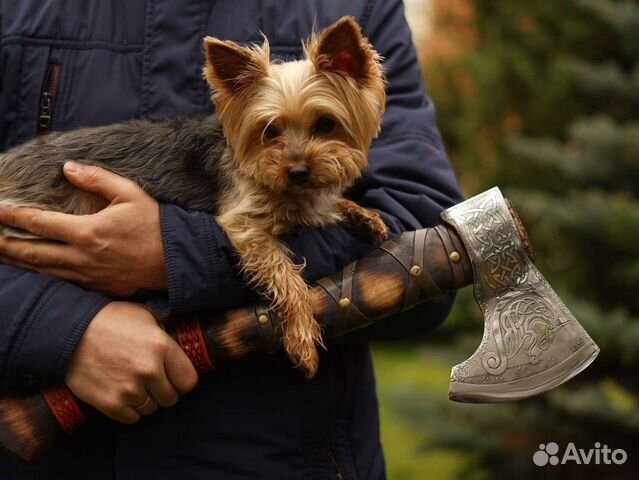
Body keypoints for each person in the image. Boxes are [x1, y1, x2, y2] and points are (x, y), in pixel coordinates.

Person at [0, 1, 462, 478]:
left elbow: (432, 242)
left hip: (283, 458)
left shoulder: (360, 8)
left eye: (324, 125)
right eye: (272, 131)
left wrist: (175, 255)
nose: (298, 159)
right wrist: (59, 330)